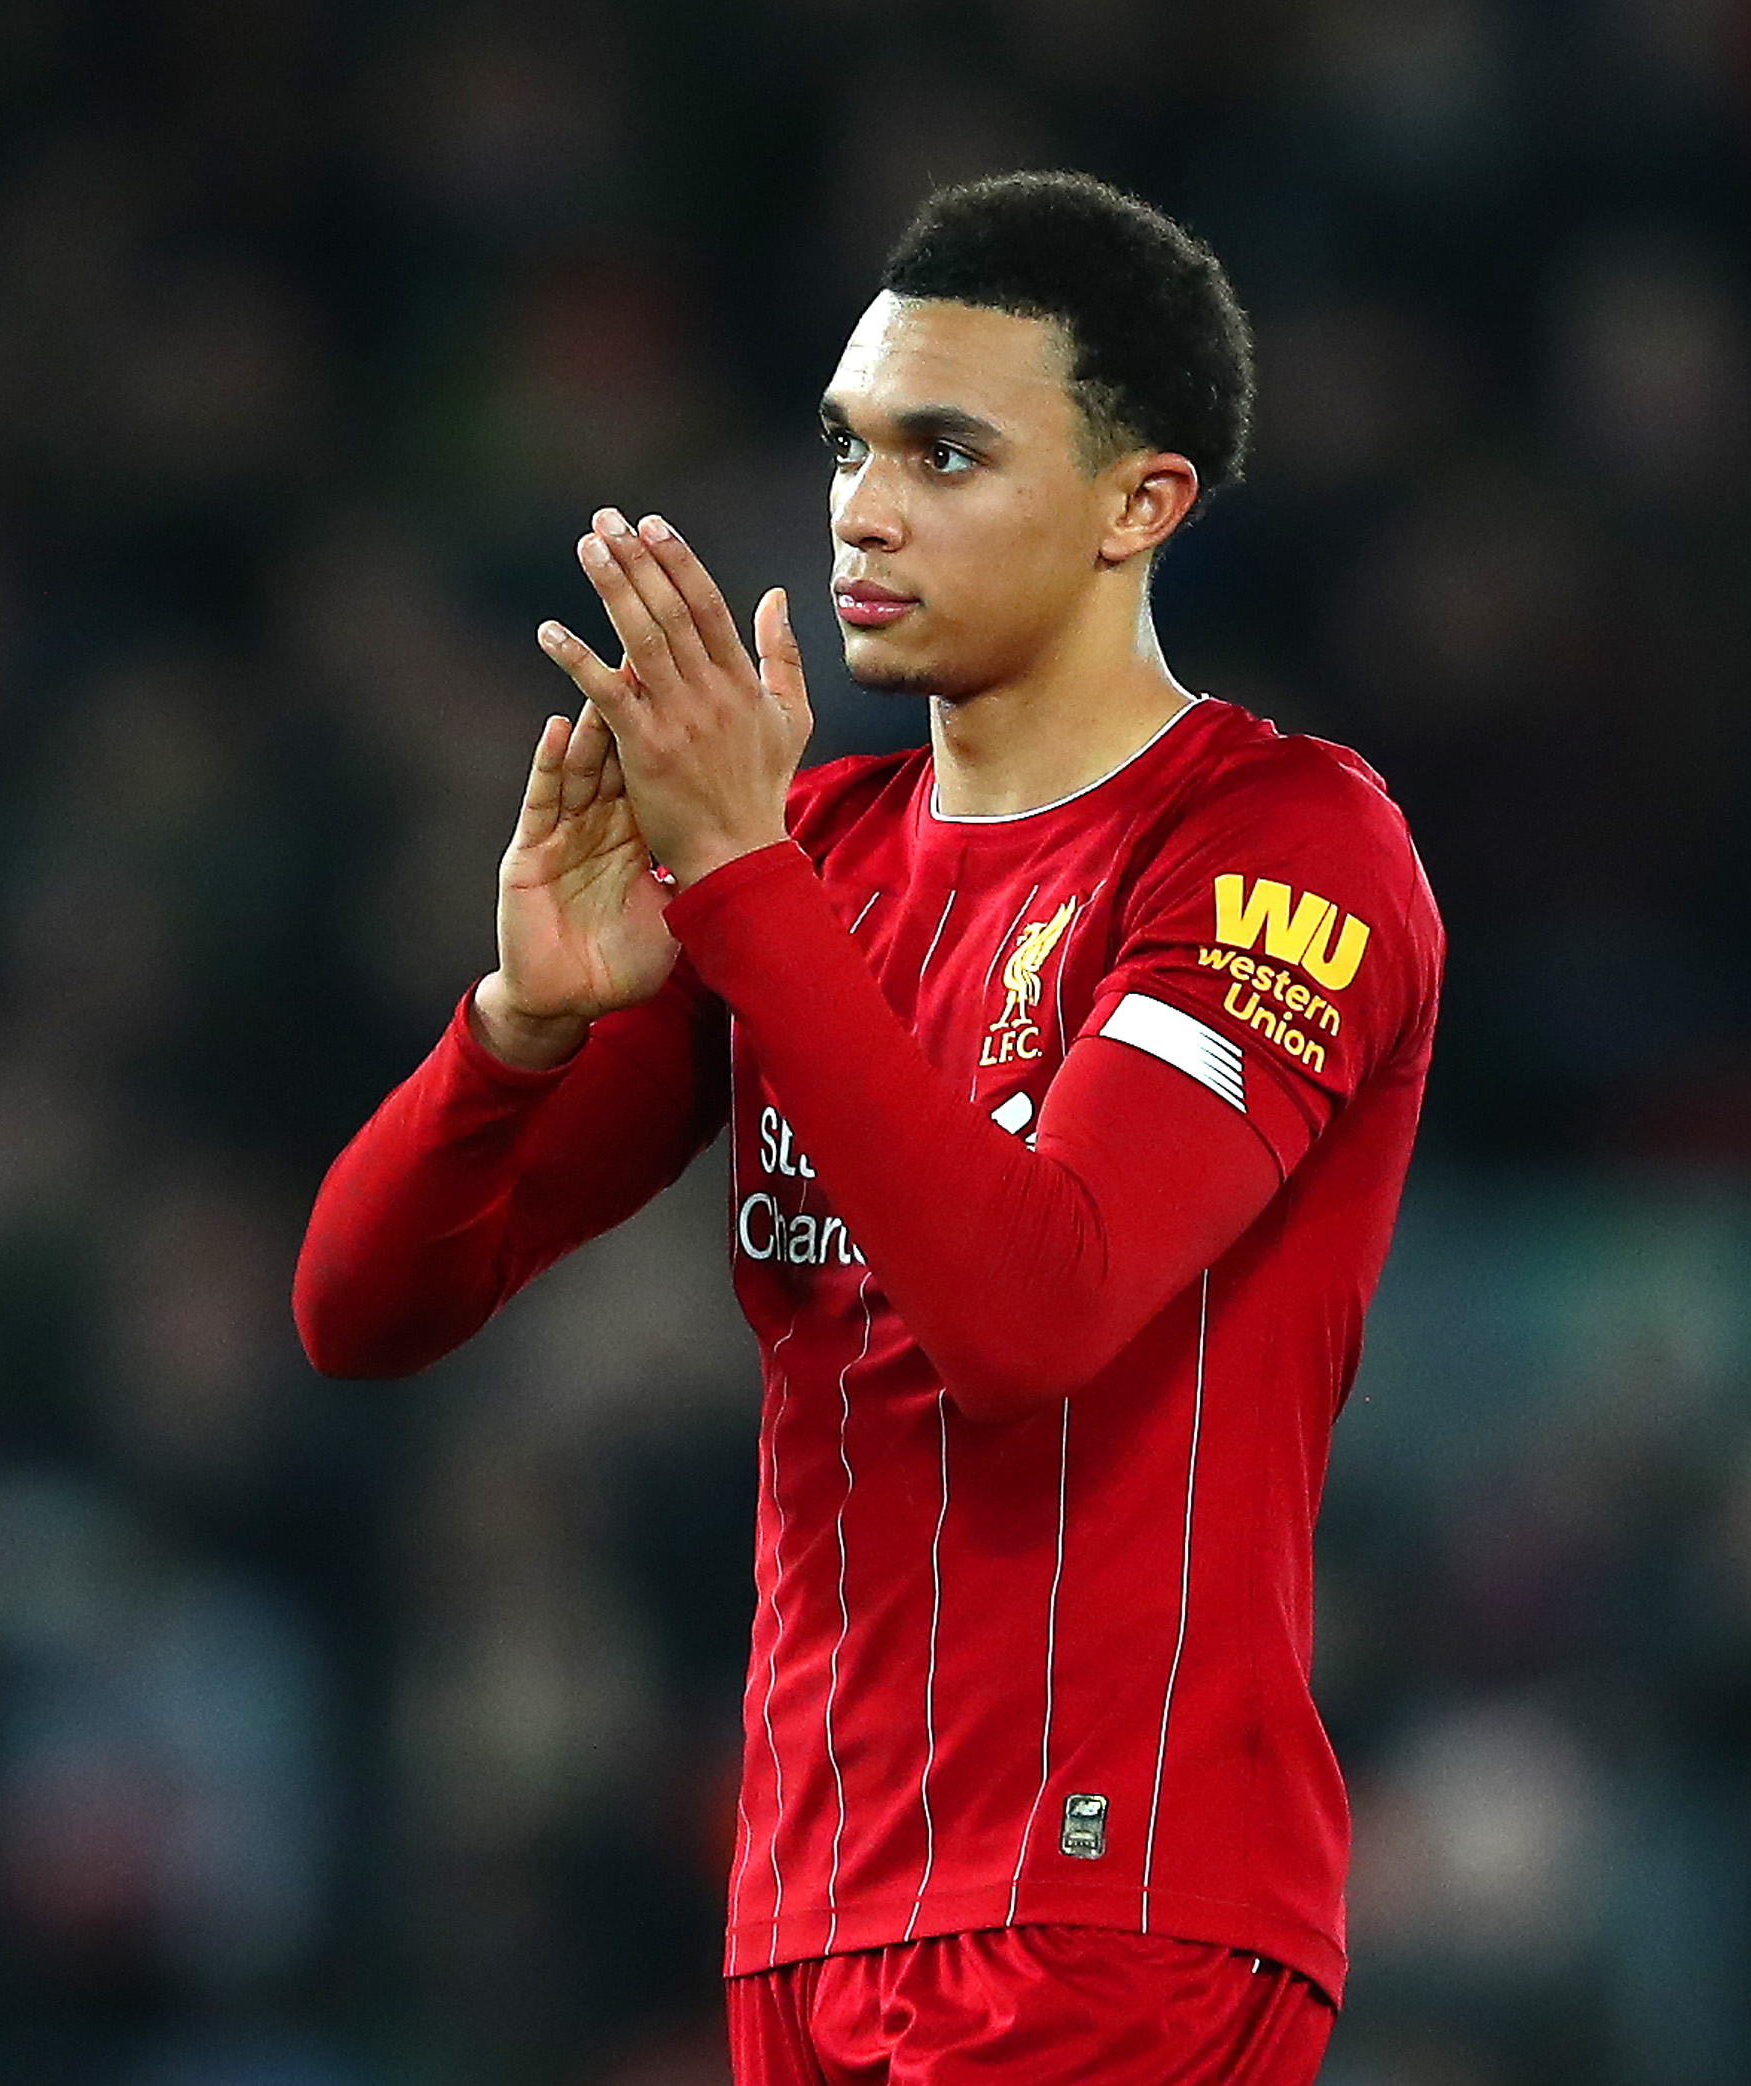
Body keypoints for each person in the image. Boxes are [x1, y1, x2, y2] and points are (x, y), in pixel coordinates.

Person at [295, 170, 1442, 2085]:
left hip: (1111, 1907)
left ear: (1137, 505)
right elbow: (366, 1307)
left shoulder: (1273, 845)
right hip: (809, 1916)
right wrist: (517, 1027)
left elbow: (1035, 1311)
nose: (861, 505)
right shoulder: (816, 860)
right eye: (846, 444)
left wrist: (739, 877)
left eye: (947, 451)